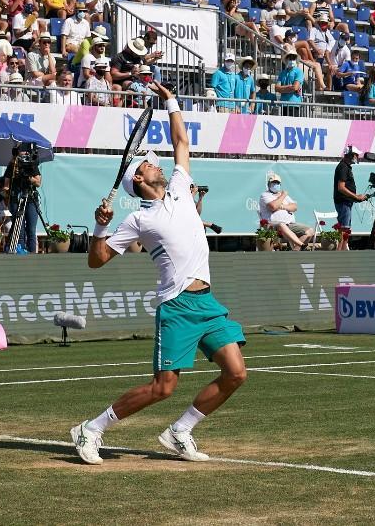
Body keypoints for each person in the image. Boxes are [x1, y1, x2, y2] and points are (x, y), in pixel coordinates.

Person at [74, 82, 247, 465]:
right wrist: (100, 228)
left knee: (236, 373)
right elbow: (96, 260)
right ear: (138, 178)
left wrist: (170, 101)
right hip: (178, 305)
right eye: (150, 162)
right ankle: (91, 428)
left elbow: (181, 140)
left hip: (208, 303)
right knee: (163, 388)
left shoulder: (181, 187)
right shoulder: (137, 218)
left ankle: (179, 431)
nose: (158, 163)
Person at [259, 171, 314, 250]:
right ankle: (302, 245)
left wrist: (281, 206)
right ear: (268, 184)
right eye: (273, 183)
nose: (275, 185)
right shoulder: (265, 195)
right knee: (281, 224)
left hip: (290, 224)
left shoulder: (282, 195)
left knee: (310, 231)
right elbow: (273, 206)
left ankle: (295, 251)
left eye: (277, 183)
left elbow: (294, 207)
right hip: (273, 225)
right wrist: (283, 195)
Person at [332, 145, 369, 251]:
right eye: (356, 155)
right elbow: (341, 188)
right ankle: (339, 255)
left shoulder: (345, 166)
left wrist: (355, 198)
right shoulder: (343, 166)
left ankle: (342, 253)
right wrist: (356, 196)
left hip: (346, 202)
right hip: (343, 202)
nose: (358, 157)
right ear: (351, 155)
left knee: (345, 229)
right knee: (344, 228)